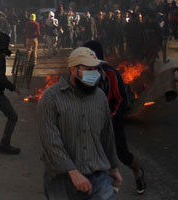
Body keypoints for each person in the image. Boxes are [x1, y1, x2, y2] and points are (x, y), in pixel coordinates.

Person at [38, 47, 122, 199]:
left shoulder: (100, 97)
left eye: (96, 68)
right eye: (89, 69)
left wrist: (113, 166)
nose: (94, 73)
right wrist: (73, 172)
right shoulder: (51, 98)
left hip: (97, 177)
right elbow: (51, 142)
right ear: (73, 70)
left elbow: (107, 136)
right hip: (61, 179)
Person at [83, 40, 147, 195]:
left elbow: (120, 101)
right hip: (92, 123)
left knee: (123, 154)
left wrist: (111, 119)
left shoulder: (111, 74)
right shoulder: (84, 73)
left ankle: (138, 172)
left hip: (112, 122)